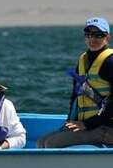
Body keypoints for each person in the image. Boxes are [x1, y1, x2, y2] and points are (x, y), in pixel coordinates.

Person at [38, 17, 113, 148]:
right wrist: (70, 121)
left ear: (107, 38)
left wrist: (86, 124)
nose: (92, 39)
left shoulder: (110, 61)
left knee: (51, 143)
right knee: (41, 142)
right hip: (90, 125)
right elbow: (75, 96)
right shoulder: (82, 60)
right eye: (88, 35)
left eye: (98, 35)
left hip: (107, 127)